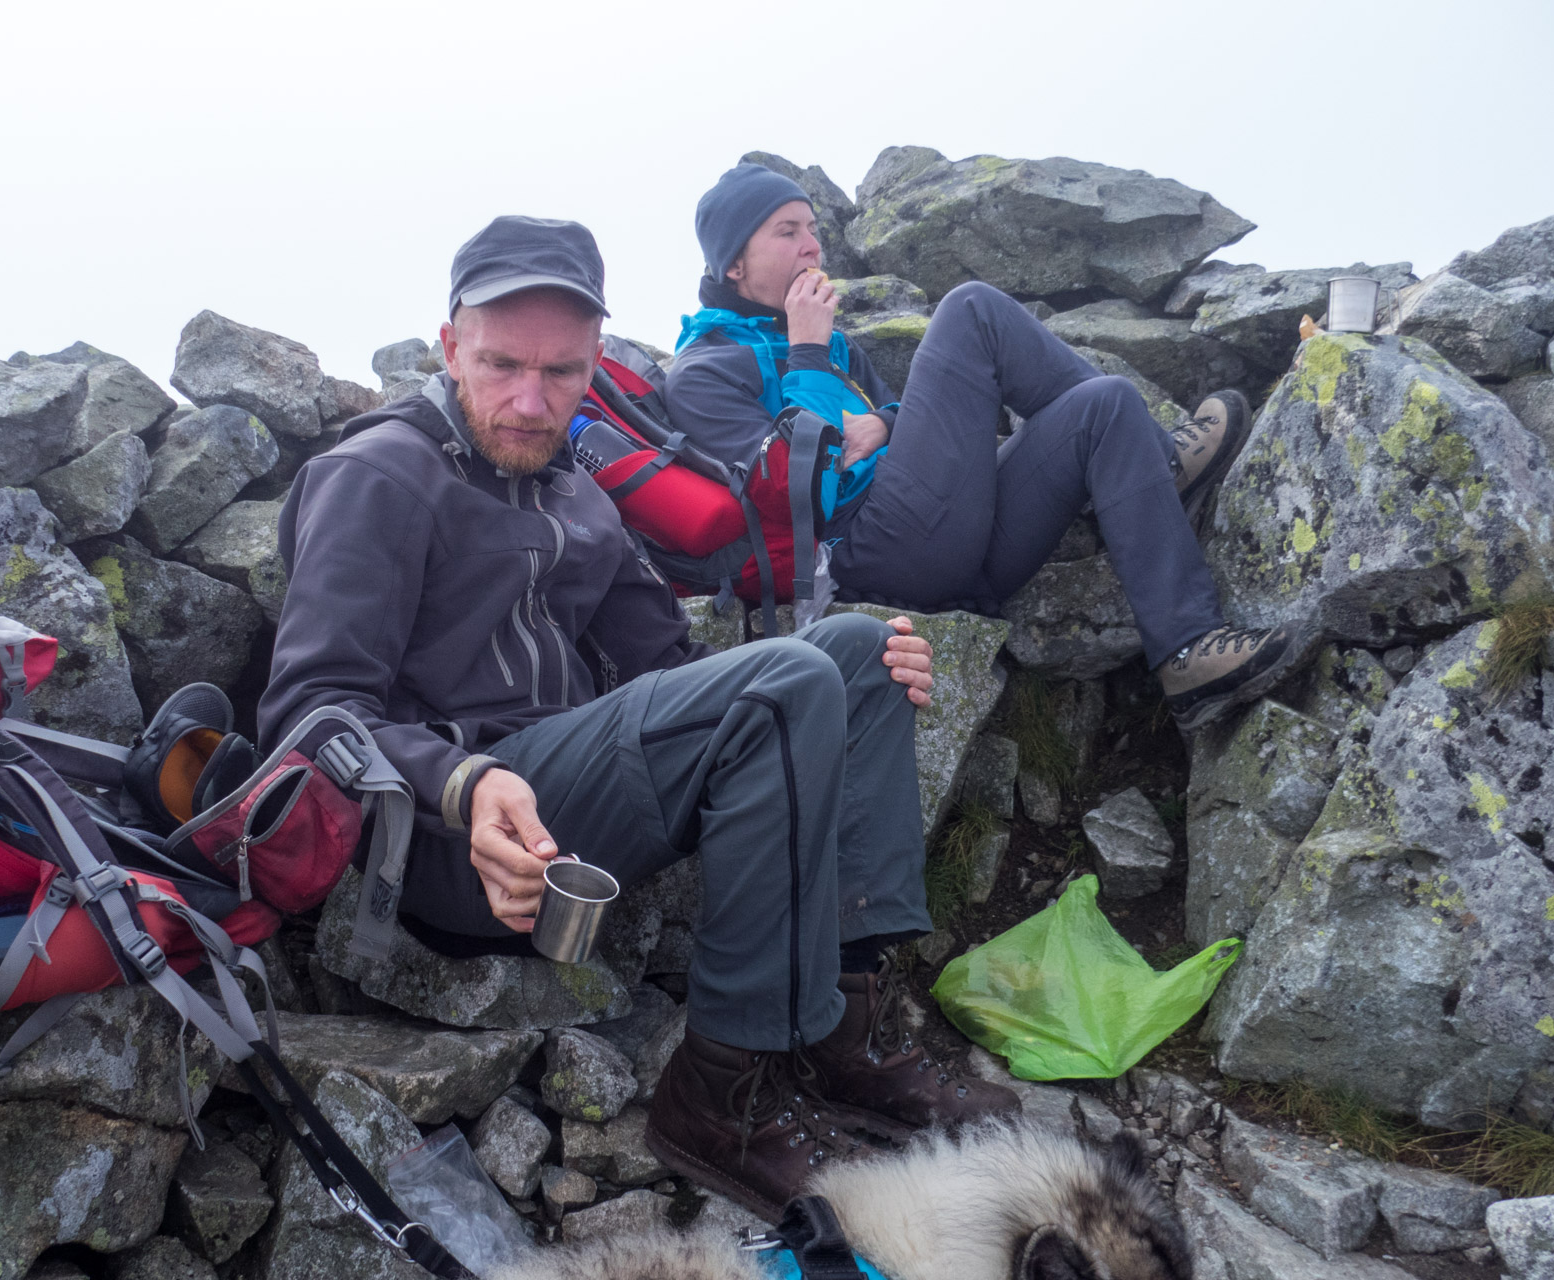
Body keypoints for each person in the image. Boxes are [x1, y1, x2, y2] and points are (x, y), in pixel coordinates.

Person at [259, 216, 1019, 1221]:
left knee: (855, 653)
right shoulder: (380, 475)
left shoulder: (580, 491)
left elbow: (670, 671)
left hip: (573, 810)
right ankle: (723, 1095)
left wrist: (854, 659)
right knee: (791, 677)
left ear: (595, 364)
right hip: (451, 843)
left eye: (562, 373)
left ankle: (846, 1035)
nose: (531, 401)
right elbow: (309, 714)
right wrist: (463, 782)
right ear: (449, 346)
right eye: (501, 365)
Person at [666, 162, 1310, 729]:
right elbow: (793, 497)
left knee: (1104, 403)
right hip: (865, 554)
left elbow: (895, 418)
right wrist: (807, 352)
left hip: (951, 540)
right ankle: (1160, 464)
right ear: (733, 262)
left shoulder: (835, 345)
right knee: (970, 309)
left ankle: (1187, 649)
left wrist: (885, 423)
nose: (812, 246)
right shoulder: (704, 373)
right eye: (787, 232)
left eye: (813, 228)